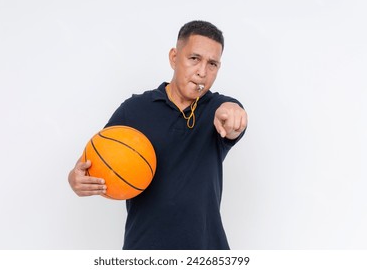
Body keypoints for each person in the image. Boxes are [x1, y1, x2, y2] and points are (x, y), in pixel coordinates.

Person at [68, 20, 248, 250]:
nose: (202, 72)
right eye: (194, 59)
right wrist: (75, 179)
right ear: (174, 57)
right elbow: (88, 163)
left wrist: (234, 113)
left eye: (212, 64)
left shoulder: (219, 108)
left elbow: (233, 118)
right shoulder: (134, 109)